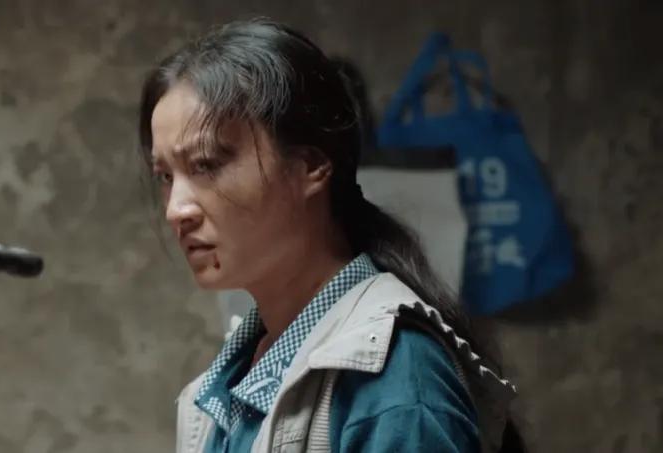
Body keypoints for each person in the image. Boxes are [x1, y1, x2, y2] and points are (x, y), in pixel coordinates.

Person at [138, 19, 522, 452]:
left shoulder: (393, 375)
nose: (176, 210)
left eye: (207, 164)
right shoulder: (223, 385)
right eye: (165, 176)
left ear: (310, 165)